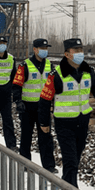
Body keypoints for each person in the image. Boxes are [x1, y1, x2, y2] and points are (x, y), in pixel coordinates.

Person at [39, 38, 95, 190]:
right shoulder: (56, 75)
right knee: (71, 161)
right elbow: (44, 100)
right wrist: (44, 123)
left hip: (82, 123)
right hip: (64, 123)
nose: (80, 53)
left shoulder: (88, 71)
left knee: (75, 160)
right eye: (76, 50)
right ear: (67, 54)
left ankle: (69, 187)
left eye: (81, 49)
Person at [12, 38, 57, 172]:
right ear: (35, 49)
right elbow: (16, 85)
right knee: (26, 136)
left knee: (46, 137)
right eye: (42, 48)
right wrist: (18, 101)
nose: (44, 51)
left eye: (46, 48)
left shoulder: (50, 66)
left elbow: (55, 85)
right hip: (27, 107)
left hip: (43, 108)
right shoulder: (24, 65)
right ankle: (25, 163)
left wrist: (54, 103)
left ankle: (49, 166)